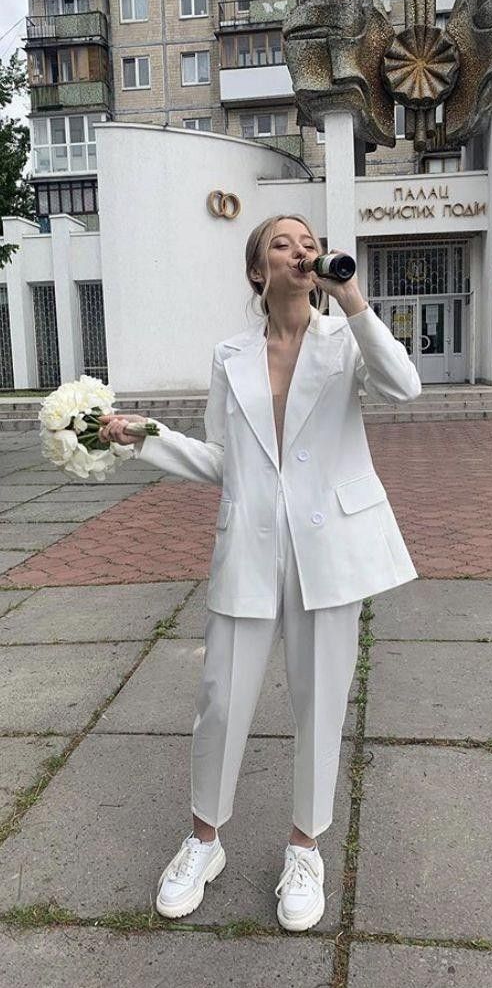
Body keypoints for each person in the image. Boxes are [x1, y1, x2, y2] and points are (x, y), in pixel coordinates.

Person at [98, 213, 421, 933]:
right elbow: (225, 461)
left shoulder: (346, 342)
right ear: (258, 269)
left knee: (320, 703)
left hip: (328, 549)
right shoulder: (231, 355)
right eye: (284, 243)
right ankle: (203, 842)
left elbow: (405, 385)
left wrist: (355, 300)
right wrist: (146, 437)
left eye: (309, 242)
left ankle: (305, 849)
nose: (301, 251)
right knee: (220, 699)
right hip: (250, 544)